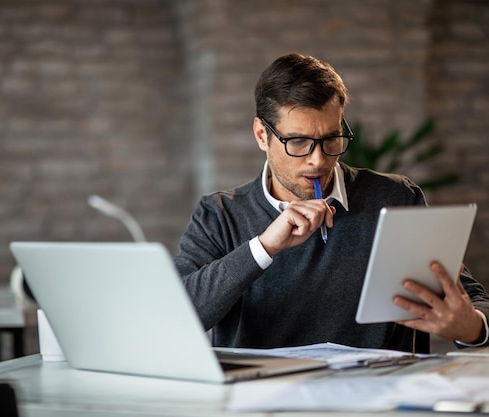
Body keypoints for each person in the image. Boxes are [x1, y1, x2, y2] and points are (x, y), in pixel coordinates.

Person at [174, 53, 489, 353]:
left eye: (331, 139)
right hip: (263, 405)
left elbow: (470, 297)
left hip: (378, 402)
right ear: (261, 135)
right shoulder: (219, 214)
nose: (318, 159)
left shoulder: (395, 198)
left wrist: (472, 327)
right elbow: (177, 312)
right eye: (297, 141)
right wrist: (264, 247)